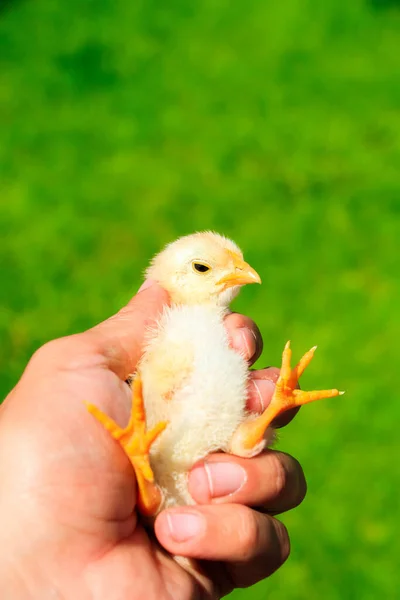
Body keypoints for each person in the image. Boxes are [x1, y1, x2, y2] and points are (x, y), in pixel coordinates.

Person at [0, 281, 306, 599]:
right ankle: (144, 468)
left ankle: (271, 405)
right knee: (181, 483)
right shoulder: (174, 331)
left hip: (165, 503)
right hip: (153, 495)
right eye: (202, 269)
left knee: (239, 444)